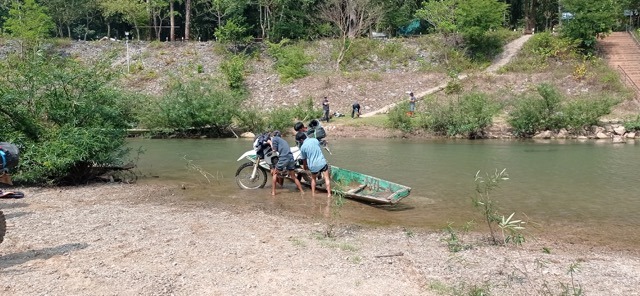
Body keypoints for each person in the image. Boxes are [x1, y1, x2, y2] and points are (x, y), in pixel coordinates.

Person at [267, 131, 304, 196]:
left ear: (273, 136)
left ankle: (273, 192)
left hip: (284, 157)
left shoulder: (275, 139)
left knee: (274, 173)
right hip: (291, 157)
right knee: (293, 176)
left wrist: (270, 143)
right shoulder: (283, 141)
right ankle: (302, 191)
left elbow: (274, 150)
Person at [296, 132, 331, 198]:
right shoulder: (315, 140)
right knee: (326, 178)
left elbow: (304, 160)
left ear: (301, 140)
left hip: (313, 165)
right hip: (322, 162)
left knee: (313, 179)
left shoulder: (303, 147)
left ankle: (313, 194)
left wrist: (305, 168)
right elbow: (318, 147)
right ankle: (329, 194)